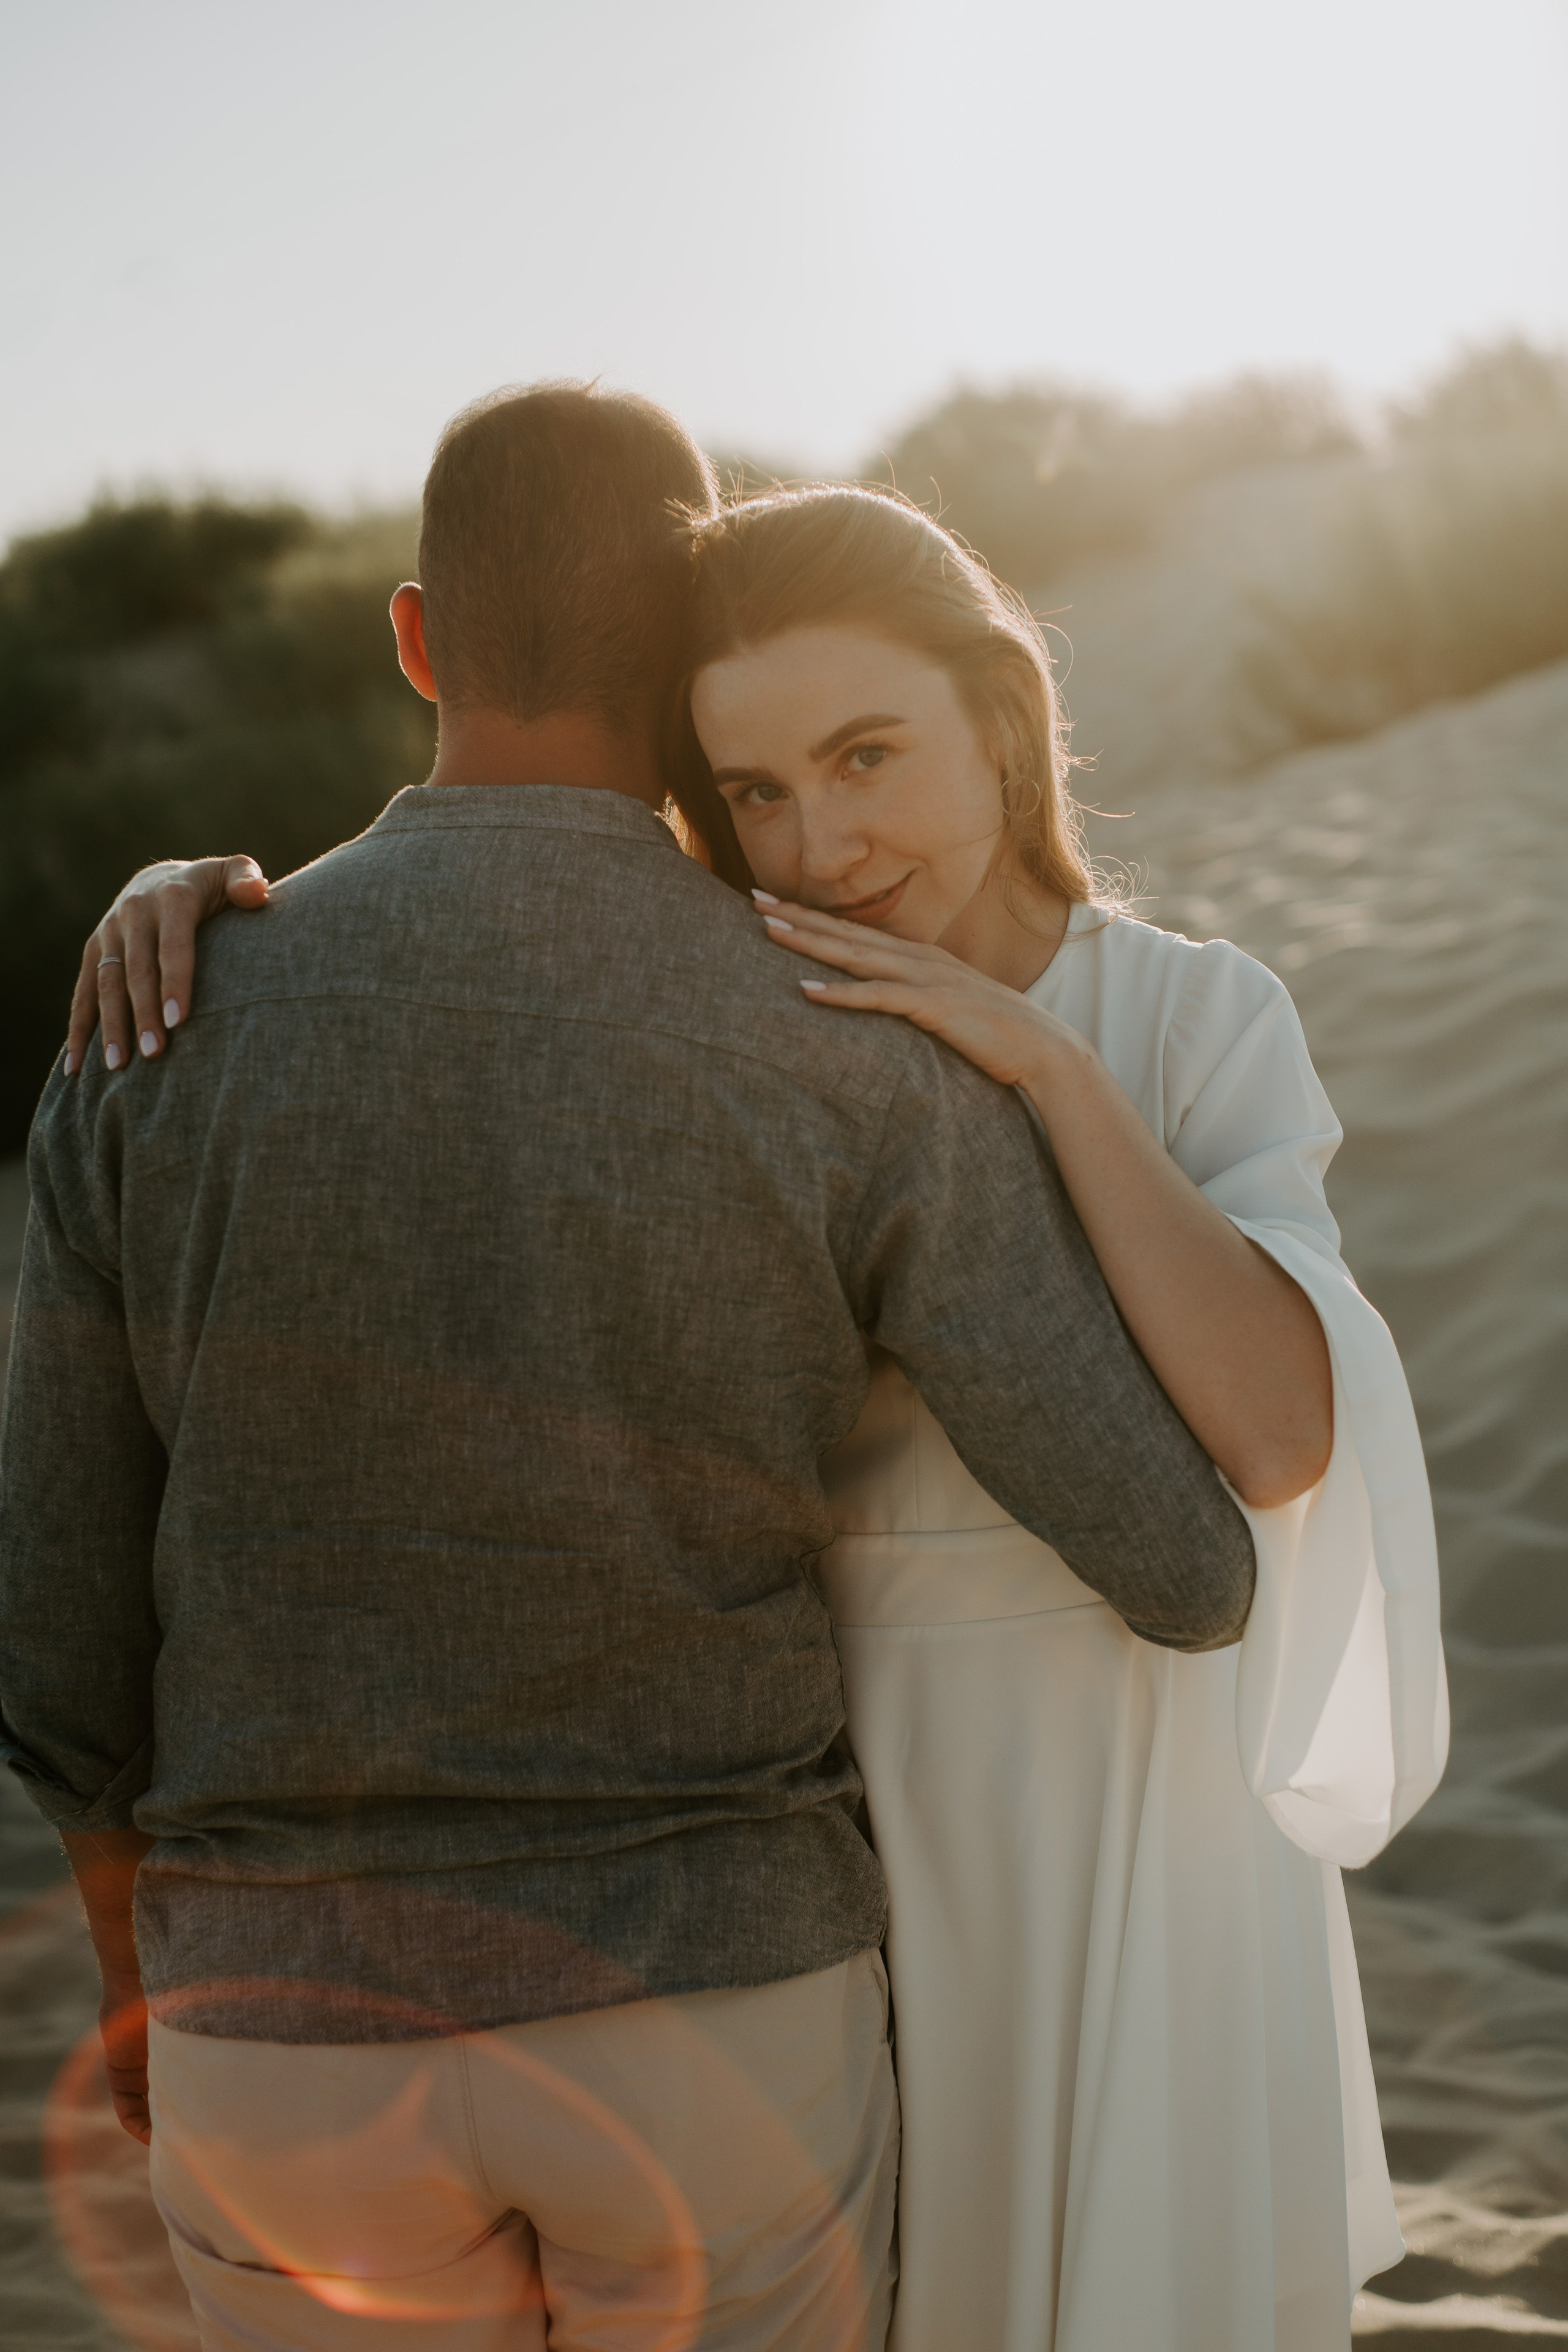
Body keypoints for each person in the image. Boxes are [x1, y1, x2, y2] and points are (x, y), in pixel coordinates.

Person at [80, 473, 1449, 2352]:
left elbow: (1286, 1445)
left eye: (870, 753)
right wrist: (193, 892)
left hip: (1122, 1782)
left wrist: (1042, 1068)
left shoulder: (1193, 1018)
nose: (824, 840)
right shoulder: (768, 1018)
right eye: (758, 794)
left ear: (1001, 712)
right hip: (842, 1785)